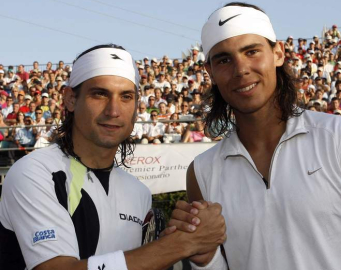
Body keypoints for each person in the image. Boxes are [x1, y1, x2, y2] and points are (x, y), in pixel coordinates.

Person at [171, 2, 341, 270]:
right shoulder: (202, 172)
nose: (241, 69)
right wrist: (204, 259)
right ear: (210, 73)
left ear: (278, 53)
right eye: (224, 59)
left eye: (251, 51)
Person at [0, 44, 226, 270]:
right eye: (99, 94)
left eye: (126, 96)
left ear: (136, 107)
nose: (113, 110)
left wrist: (196, 246)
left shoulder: (138, 192)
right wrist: (181, 244)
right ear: (69, 99)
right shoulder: (34, 173)